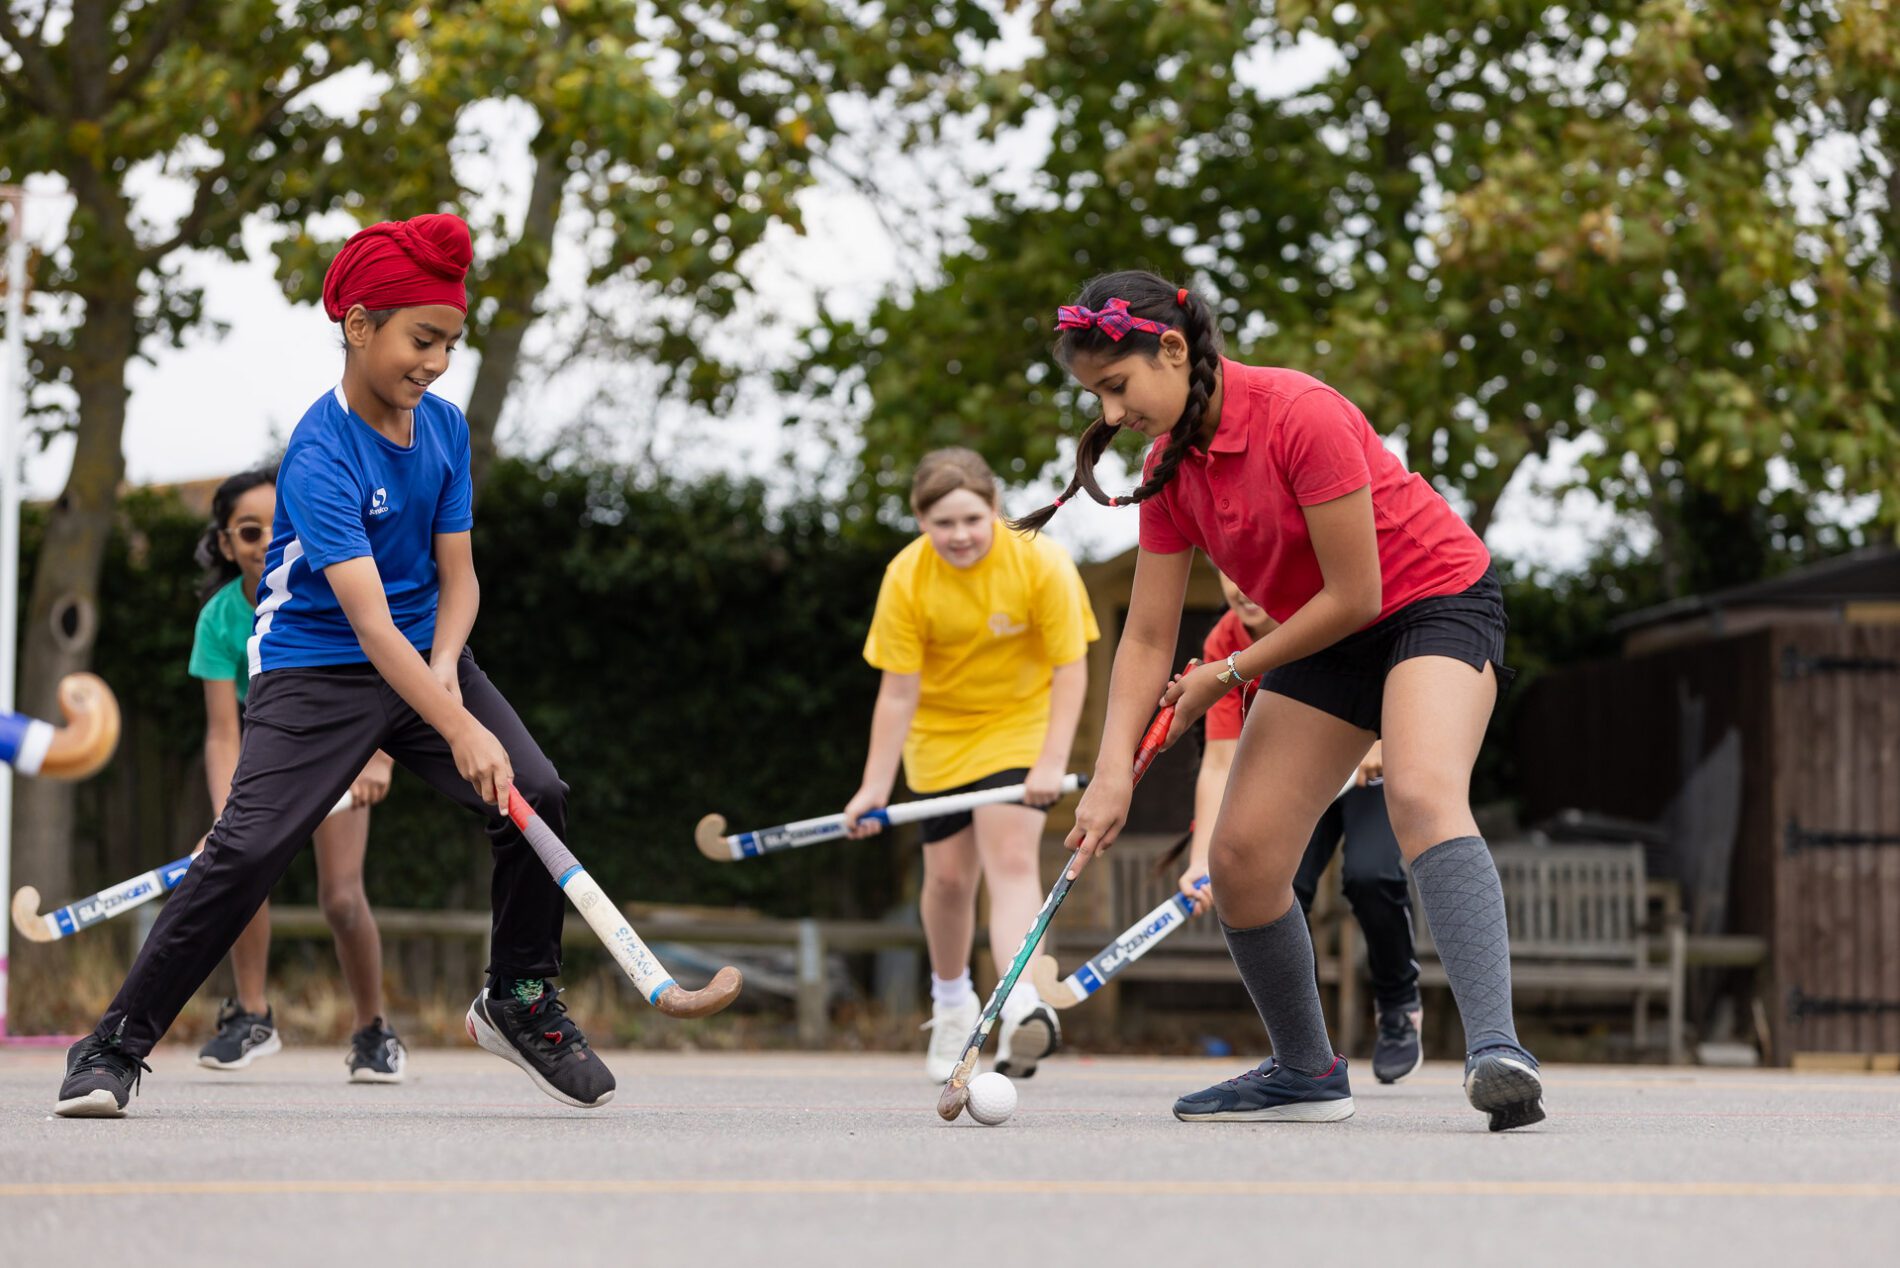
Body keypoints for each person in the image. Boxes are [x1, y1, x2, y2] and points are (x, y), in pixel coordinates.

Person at [56, 213, 611, 1117]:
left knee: (536, 792)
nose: (433, 362)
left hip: (425, 650)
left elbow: (458, 579)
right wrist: (455, 722)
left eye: (449, 344)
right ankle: (113, 1046)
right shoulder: (319, 454)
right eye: (420, 339)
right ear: (358, 326)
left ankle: (519, 1000)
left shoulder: (445, 432)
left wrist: (446, 684)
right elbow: (363, 618)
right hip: (319, 666)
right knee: (246, 853)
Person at [1017, 270, 1542, 1131]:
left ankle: (1498, 1054)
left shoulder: (1301, 413)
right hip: (1323, 633)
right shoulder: (1168, 470)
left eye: (1117, 387)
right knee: (1245, 859)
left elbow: (1359, 594)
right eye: (1095, 396)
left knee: (1418, 790)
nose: (1109, 414)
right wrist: (1112, 772)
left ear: (1175, 350)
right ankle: (1305, 1068)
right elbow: (1147, 638)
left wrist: (1225, 675)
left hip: (1432, 602)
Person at [842, 448, 1099, 1083]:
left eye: (971, 520)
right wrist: (873, 787)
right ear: (920, 521)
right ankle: (953, 1006)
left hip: (1018, 729)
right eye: (942, 523)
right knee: (949, 881)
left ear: (996, 510)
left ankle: (1020, 1006)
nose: (959, 536)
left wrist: (1051, 761)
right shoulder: (906, 576)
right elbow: (898, 692)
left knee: (1009, 860)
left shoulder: (1041, 562)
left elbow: (1071, 670)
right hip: (938, 737)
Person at [186, 466, 406, 1081]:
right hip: (274, 757)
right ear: (228, 544)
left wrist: (379, 757)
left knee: (341, 898)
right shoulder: (220, 620)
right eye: (249, 532)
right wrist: (225, 817)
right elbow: (223, 732)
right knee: (240, 870)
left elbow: (387, 678)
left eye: (277, 527)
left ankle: (372, 1029)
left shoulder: (338, 591)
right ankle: (251, 1016)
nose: (265, 543)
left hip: (346, 750)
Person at [1180, 570, 1424, 1084]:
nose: (1240, 585)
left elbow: (1397, 683)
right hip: (1292, 779)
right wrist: (1203, 857)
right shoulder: (1225, 641)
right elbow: (1220, 762)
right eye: (1226, 570)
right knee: (1280, 889)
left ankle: (1399, 1004)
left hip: (1365, 771)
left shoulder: (1328, 608)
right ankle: (1311, 1048)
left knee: (1370, 875)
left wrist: (1382, 745)